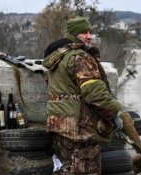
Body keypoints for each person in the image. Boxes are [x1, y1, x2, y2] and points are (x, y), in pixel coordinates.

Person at [43, 16, 124, 175]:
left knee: (68, 169)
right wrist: (115, 112)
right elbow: (95, 93)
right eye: (83, 33)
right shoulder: (80, 56)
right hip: (80, 128)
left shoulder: (57, 56)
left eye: (90, 32)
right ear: (73, 35)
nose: (89, 36)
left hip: (59, 126)